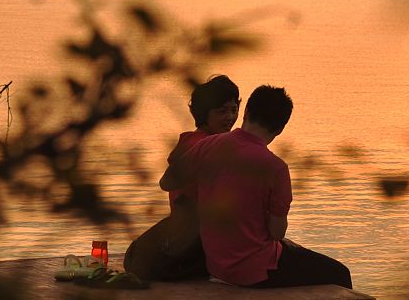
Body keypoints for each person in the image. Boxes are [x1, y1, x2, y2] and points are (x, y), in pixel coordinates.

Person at [162, 84, 352, 290]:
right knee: (339, 274)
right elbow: (277, 232)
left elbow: (167, 182)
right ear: (280, 128)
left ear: (246, 112)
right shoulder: (276, 168)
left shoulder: (209, 144)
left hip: (216, 265)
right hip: (255, 272)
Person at [123, 75, 241, 281]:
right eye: (222, 111)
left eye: (233, 110)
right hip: (195, 235)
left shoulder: (191, 141)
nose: (230, 117)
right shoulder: (207, 146)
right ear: (205, 114)